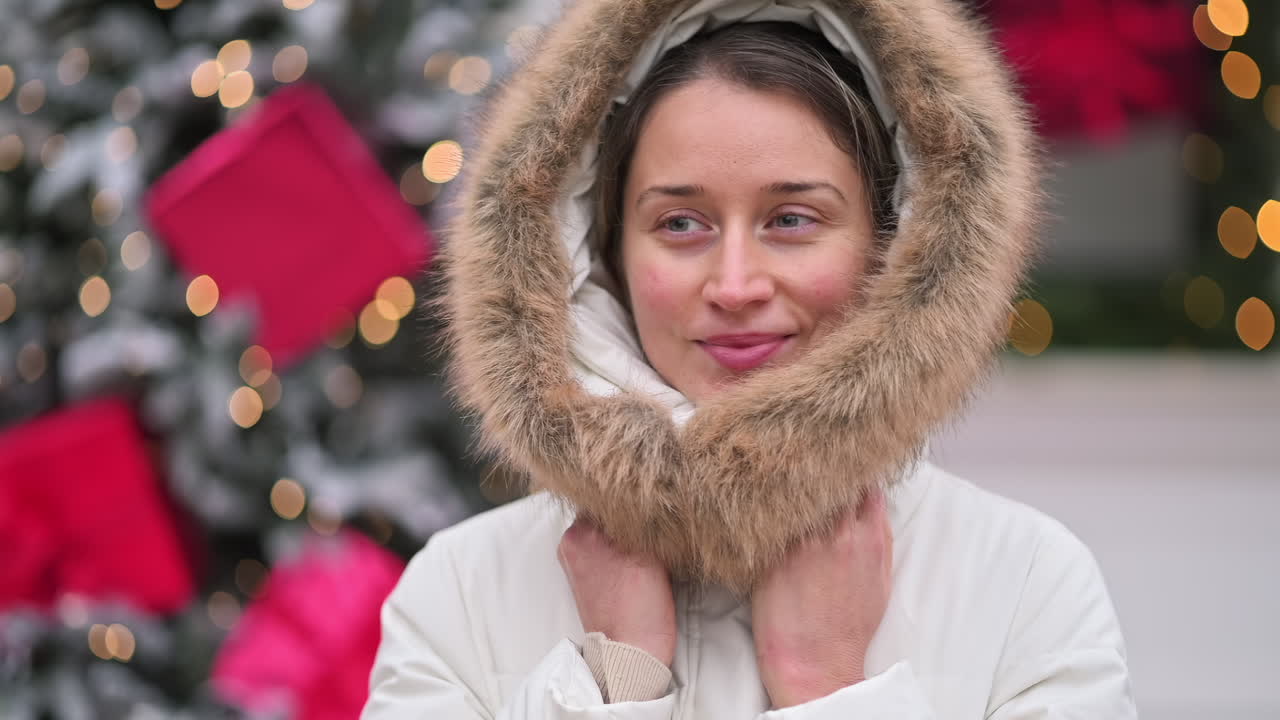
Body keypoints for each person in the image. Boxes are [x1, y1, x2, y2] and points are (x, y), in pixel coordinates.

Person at [364, 0, 1137, 718]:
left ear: (897, 241)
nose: (735, 286)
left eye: (792, 219)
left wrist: (826, 685)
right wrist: (615, 683)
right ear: (601, 255)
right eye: (681, 223)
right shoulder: (459, 595)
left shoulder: (1027, 585)